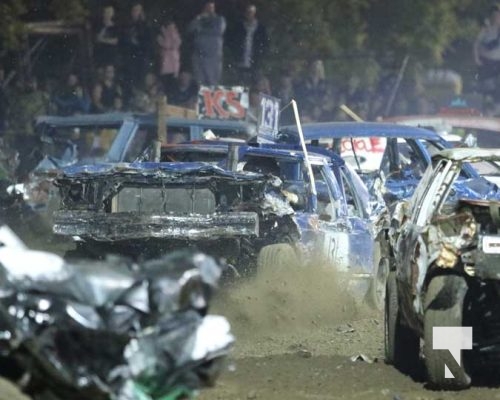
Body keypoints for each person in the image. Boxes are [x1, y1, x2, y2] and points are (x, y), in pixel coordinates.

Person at [188, 1, 226, 86]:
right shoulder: (199, 19)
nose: (209, 10)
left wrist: (201, 31)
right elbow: (190, 29)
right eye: (207, 7)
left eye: (211, 7)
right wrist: (199, 18)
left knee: (213, 81)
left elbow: (218, 31)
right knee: (199, 82)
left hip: (214, 57)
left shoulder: (219, 19)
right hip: (199, 56)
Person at [229, 4, 269, 84]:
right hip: (240, 60)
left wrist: (260, 56)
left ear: (254, 13)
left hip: (255, 61)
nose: (249, 14)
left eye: (251, 12)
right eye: (247, 12)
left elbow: (265, 44)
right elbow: (233, 42)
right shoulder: (239, 27)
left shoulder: (260, 28)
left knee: (254, 84)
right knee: (239, 83)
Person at [121, 2, 153, 95]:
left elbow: (148, 42)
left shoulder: (145, 25)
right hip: (129, 56)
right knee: (129, 79)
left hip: (141, 57)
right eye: (135, 10)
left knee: (140, 80)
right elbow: (122, 40)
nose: (136, 13)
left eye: (138, 10)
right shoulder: (127, 24)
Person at [474, 5, 500, 100]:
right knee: (487, 85)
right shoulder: (486, 29)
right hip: (487, 60)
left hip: (498, 62)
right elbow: (477, 44)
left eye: (498, 16)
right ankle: (488, 103)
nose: (496, 18)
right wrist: (476, 58)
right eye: (494, 16)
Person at [157, 20, 182, 95]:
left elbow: (178, 43)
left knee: (173, 85)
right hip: (165, 65)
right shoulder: (161, 35)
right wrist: (166, 34)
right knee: (165, 85)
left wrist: (173, 34)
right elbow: (164, 44)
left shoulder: (176, 36)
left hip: (174, 66)